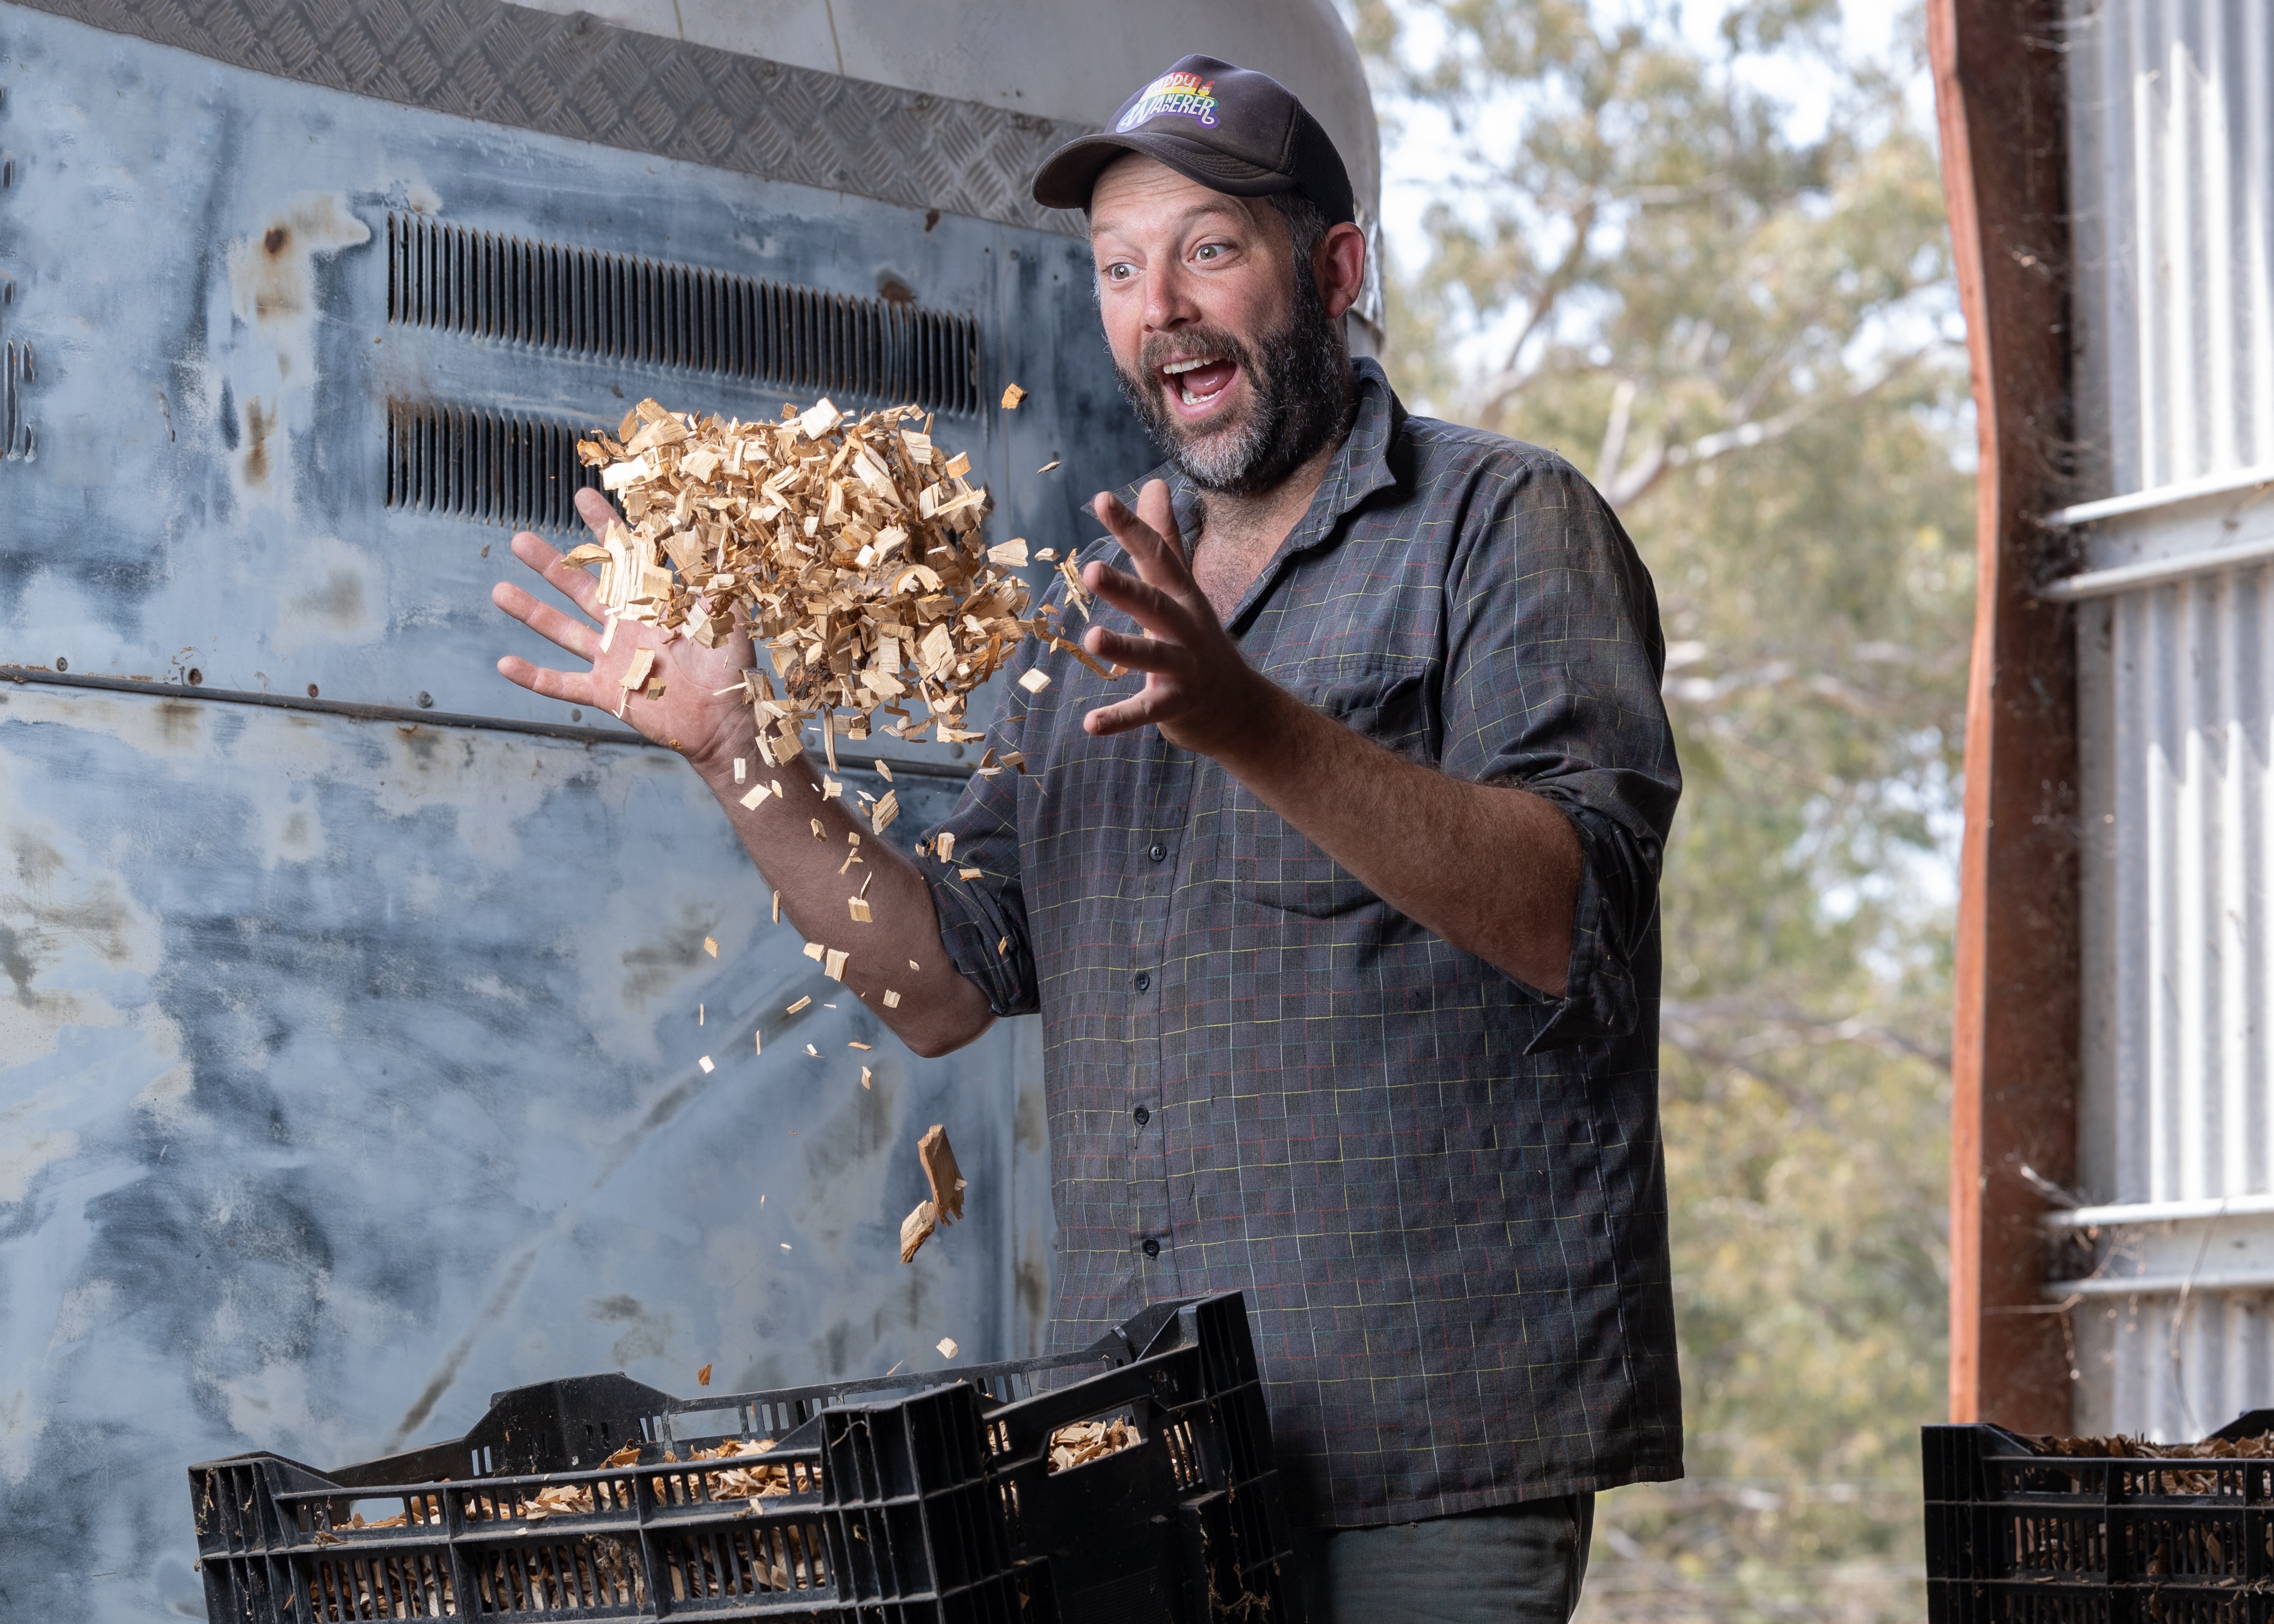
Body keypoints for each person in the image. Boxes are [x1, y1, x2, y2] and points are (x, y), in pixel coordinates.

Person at [490, 53, 1682, 1623]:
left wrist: (1245, 715)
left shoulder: (1499, 525)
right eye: (1119, 268)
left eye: (1208, 249)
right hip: (1154, 1467)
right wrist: (739, 753)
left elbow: (1568, 918)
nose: (1159, 307)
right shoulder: (1096, 602)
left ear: (1333, 271)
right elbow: (942, 982)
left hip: (1433, 1455)